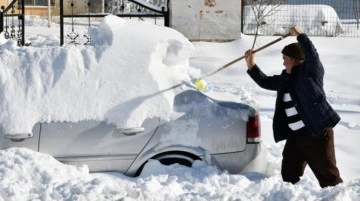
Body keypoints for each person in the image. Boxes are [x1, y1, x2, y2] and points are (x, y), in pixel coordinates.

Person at [244, 26, 343, 188]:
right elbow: (265, 82)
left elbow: (313, 56)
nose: (283, 61)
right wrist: (251, 64)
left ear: (295, 59)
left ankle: (339, 197)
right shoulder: (285, 78)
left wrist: (300, 35)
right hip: (296, 137)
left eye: (285, 57)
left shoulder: (310, 73)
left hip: (316, 134)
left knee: (329, 177)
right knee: (289, 174)